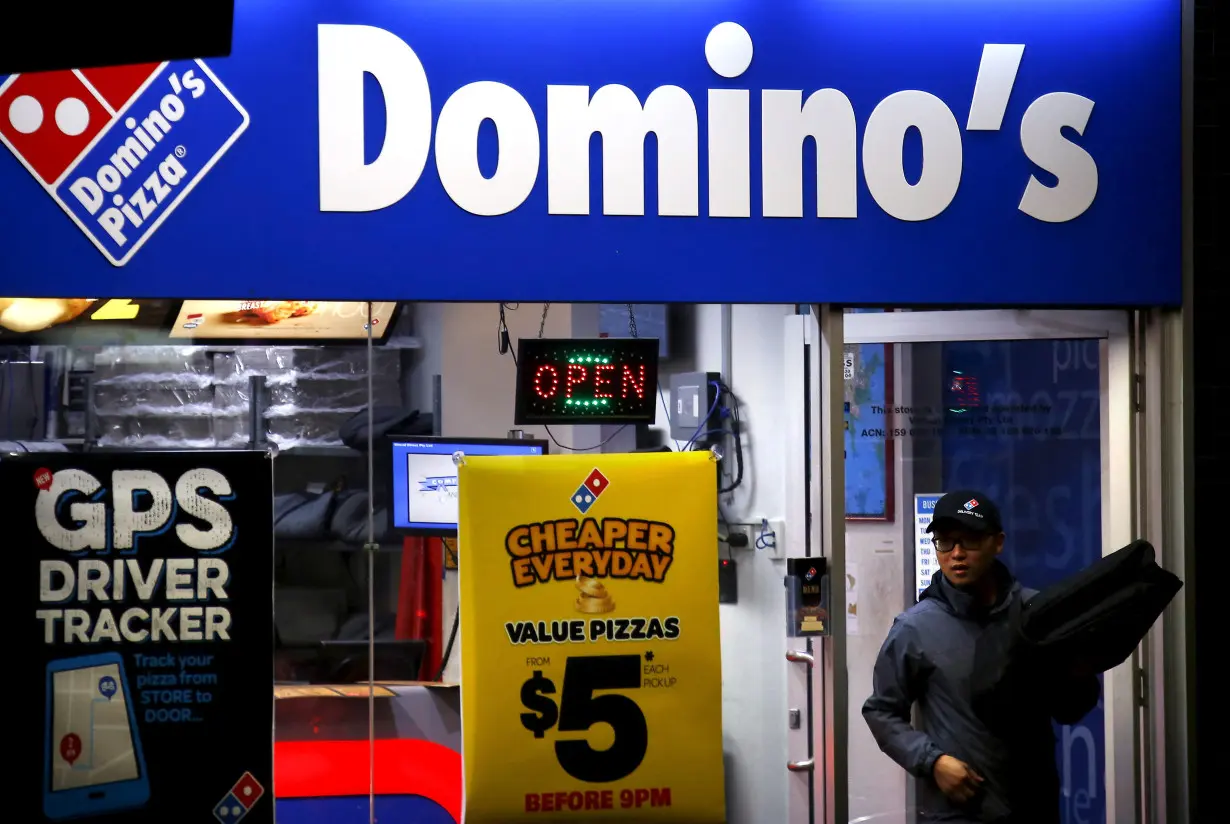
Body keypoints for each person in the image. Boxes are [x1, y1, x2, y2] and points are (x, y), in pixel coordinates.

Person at [862, 490, 1100, 823]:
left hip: (1033, 806)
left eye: (970, 540)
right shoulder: (914, 627)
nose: (956, 554)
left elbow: (1072, 707)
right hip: (957, 812)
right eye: (945, 542)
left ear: (997, 542)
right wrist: (933, 762)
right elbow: (881, 711)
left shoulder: (1034, 614)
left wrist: (1077, 672)